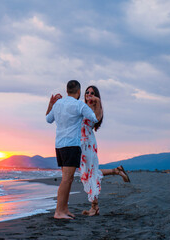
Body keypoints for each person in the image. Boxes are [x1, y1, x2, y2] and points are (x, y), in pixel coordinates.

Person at [46, 80, 102, 219]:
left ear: (67, 91)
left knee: (68, 179)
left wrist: (51, 104)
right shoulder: (79, 105)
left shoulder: (58, 104)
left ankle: (64, 210)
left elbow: (48, 119)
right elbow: (95, 118)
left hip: (59, 146)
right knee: (66, 179)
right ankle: (59, 212)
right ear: (78, 92)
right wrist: (98, 102)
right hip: (71, 146)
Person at [80, 85, 130, 216]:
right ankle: (116, 170)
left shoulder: (97, 108)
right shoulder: (81, 106)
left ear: (96, 95)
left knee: (90, 174)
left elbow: (97, 118)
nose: (89, 94)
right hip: (80, 143)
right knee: (89, 172)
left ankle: (94, 207)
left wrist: (98, 102)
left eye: (92, 93)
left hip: (88, 144)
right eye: (87, 92)